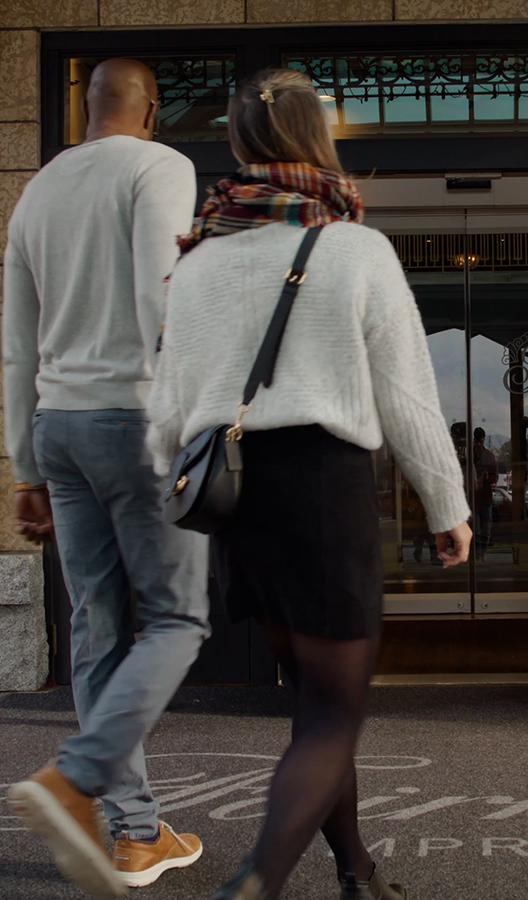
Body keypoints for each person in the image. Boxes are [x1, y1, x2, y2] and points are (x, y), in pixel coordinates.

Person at [145, 68, 472, 899]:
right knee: (333, 713)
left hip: (235, 494)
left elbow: (169, 406)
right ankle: (256, 880)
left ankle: (357, 872)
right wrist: (448, 504)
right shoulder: (355, 248)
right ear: (317, 138)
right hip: (322, 488)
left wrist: (159, 495)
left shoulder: (198, 258)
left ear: (238, 144)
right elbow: (407, 393)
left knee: (317, 706)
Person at [4, 59, 209, 896]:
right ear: (152, 112)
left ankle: (133, 832)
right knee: (179, 617)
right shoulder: (160, 167)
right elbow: (161, 295)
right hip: (135, 419)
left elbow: (16, 341)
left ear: (84, 111)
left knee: (97, 623)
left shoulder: (38, 192)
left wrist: (23, 464)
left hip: (59, 426)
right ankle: (81, 784)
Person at [472, 427, 498, 560]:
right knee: (484, 527)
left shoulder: (471, 455)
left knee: (479, 528)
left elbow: (495, 477)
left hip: (477, 498)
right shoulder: (488, 456)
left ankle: (479, 553)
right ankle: (480, 553)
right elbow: (495, 478)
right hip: (483, 498)